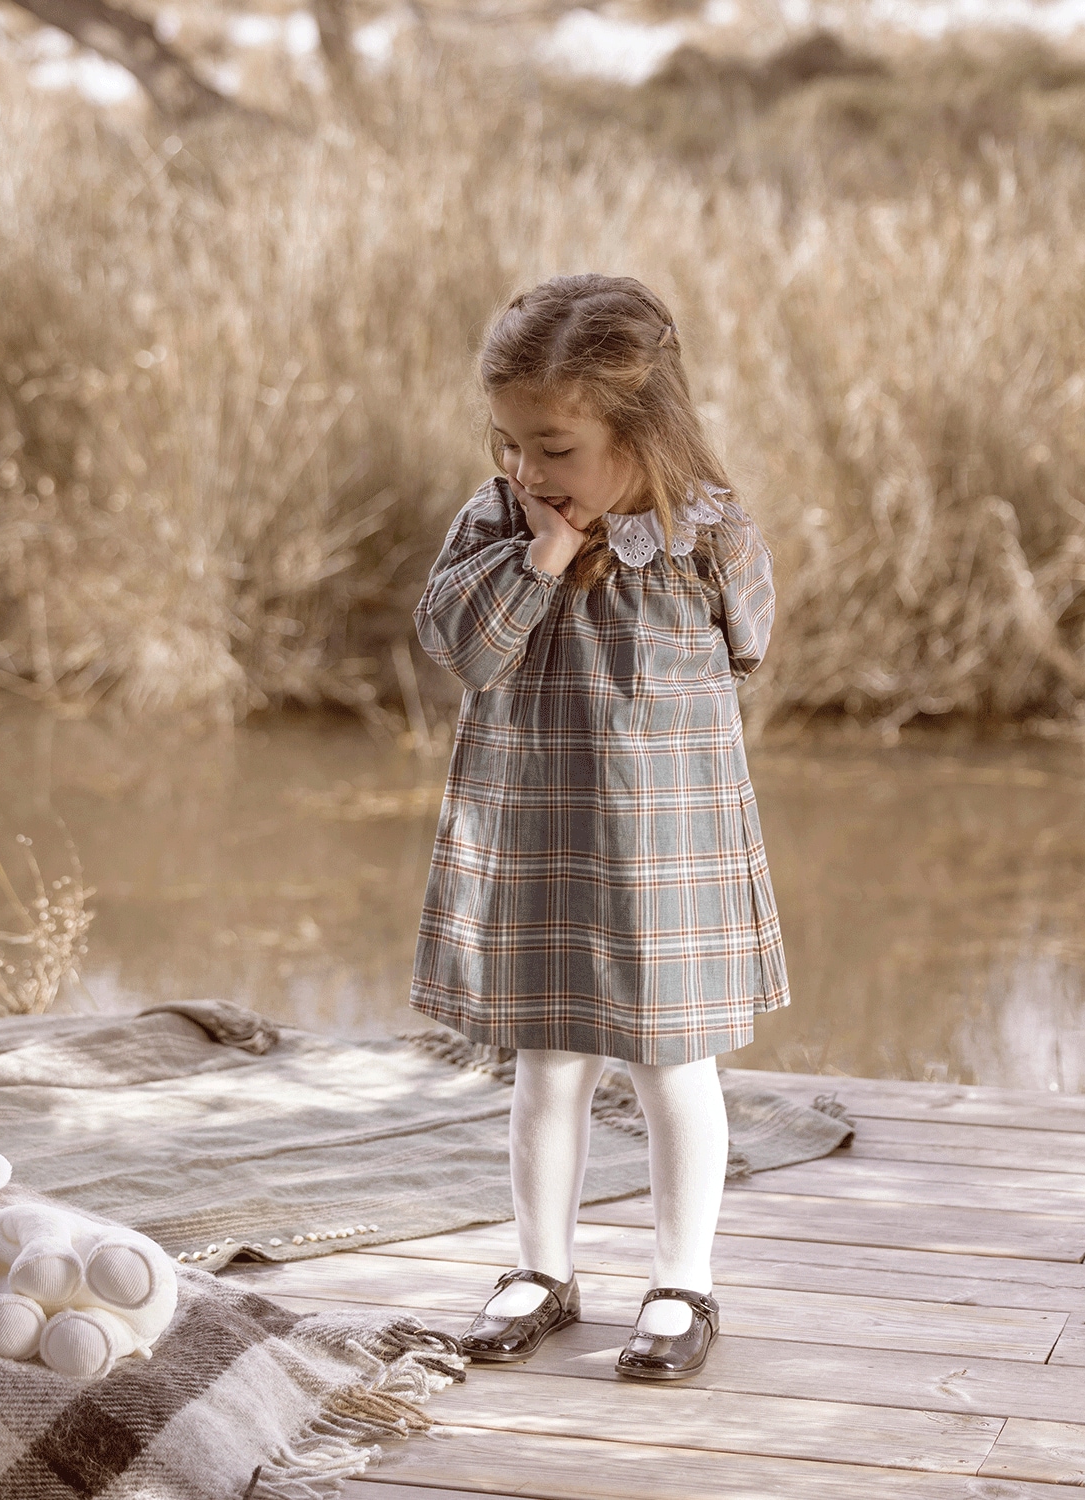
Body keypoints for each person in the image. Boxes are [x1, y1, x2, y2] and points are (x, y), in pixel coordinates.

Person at [410, 274, 789, 1381]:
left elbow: (748, 640)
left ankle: (684, 1281)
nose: (529, 469)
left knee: (674, 1065)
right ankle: (542, 1268)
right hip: (537, 832)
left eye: (557, 448)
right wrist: (539, 556)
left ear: (642, 433)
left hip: (665, 841)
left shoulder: (705, 532)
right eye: (512, 441)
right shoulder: (494, 521)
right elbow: (463, 647)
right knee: (548, 1063)